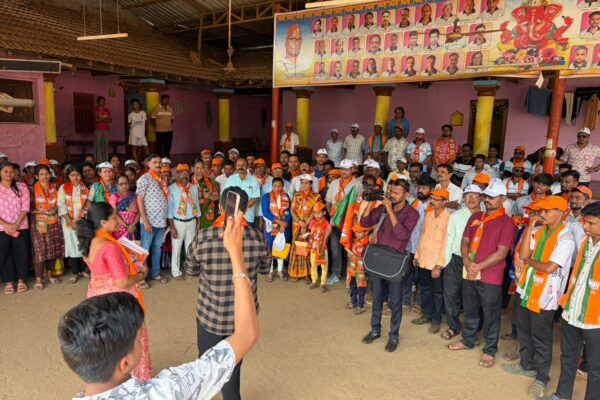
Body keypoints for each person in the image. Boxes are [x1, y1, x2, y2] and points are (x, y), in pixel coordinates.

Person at [60, 208, 259, 400]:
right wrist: (236, 254)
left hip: (99, 296)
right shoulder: (167, 391)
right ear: (125, 363)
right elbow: (246, 336)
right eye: (136, 339)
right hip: (117, 295)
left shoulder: (93, 242)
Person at [185, 187, 268, 400]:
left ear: (221, 208)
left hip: (210, 316)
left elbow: (190, 270)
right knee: (233, 369)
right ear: (245, 210)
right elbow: (265, 268)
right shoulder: (257, 238)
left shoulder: (203, 237)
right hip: (243, 320)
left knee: (205, 366)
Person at [503, 196, 575, 398]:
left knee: (541, 338)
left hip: (545, 296)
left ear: (561, 213)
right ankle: (526, 365)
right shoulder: (538, 230)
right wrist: (529, 227)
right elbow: (523, 254)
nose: (541, 214)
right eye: (540, 210)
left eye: (546, 211)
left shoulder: (566, 239)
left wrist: (529, 261)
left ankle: (542, 378)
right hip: (526, 289)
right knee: (523, 329)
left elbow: (550, 268)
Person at [75, 201, 152, 381]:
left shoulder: (90, 239)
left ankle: (111, 380)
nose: (118, 220)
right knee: (128, 341)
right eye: (113, 218)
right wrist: (141, 274)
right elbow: (122, 281)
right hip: (117, 303)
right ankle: (136, 380)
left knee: (109, 343)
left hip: (97, 298)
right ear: (103, 222)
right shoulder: (109, 247)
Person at [448, 179, 516, 368]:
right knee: (470, 309)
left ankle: (490, 350)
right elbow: (464, 241)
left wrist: (477, 266)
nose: (487, 200)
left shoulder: (507, 223)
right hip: (469, 270)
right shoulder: (476, 217)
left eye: (492, 197)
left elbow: (501, 253)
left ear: (503, 199)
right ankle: (468, 339)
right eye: (486, 196)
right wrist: (467, 262)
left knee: (491, 314)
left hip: (490, 276)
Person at [539, 202, 600, 400]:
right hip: (572, 312)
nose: (585, 226)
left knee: (596, 368)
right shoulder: (585, 242)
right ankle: (562, 395)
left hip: (595, 321)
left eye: (591, 223)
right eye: (584, 222)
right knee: (568, 358)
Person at [360, 178, 419, 352]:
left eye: (396, 193)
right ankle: (375, 330)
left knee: (395, 301)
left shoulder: (412, 213)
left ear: (406, 195)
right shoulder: (383, 207)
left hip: (396, 260)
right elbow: (364, 223)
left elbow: (402, 235)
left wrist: (390, 211)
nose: (391, 195)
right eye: (390, 192)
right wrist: (369, 203)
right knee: (377, 297)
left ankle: (393, 336)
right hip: (380, 257)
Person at [441, 185, 482, 340]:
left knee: (473, 298)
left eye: (474, 195)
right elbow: (449, 239)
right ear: (463, 198)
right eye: (467, 195)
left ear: (481, 197)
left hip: (477, 262)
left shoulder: (485, 216)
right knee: (451, 295)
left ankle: (473, 331)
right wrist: (446, 262)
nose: (471, 199)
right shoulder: (456, 216)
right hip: (456, 260)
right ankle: (453, 326)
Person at [413, 188, 450, 334]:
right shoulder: (428, 215)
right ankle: (426, 315)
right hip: (423, 260)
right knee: (425, 289)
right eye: (431, 198)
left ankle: (436, 320)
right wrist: (417, 255)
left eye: (436, 199)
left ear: (444, 202)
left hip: (436, 263)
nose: (432, 201)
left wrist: (439, 266)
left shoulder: (448, 219)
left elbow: (446, 244)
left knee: (437, 293)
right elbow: (422, 235)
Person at [326, 159, 363, 284]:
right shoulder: (334, 183)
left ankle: (350, 276)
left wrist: (353, 221)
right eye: (342, 169)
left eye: (346, 169)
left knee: (350, 249)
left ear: (352, 169)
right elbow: (328, 201)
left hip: (350, 223)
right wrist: (332, 215)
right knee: (335, 249)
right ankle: (336, 273)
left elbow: (359, 205)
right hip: (336, 222)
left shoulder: (357, 184)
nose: (343, 171)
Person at [31, 164, 65, 288]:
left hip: (53, 222)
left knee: (51, 250)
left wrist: (54, 209)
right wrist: (42, 212)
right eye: (41, 174)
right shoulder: (31, 189)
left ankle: (50, 275)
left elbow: (60, 204)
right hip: (38, 224)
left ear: (50, 174)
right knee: (40, 251)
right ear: (36, 176)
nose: (44, 176)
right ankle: (38, 279)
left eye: (46, 173)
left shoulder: (55, 187)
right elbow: (28, 208)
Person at [137, 154, 169, 286]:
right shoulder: (144, 178)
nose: (158, 164)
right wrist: (145, 221)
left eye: (160, 162)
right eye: (154, 162)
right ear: (148, 164)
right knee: (144, 249)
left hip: (160, 221)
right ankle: (141, 277)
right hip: (149, 222)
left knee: (157, 248)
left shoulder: (162, 179)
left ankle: (156, 273)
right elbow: (139, 200)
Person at [0, 161, 30, 294]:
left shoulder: (22, 186)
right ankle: (9, 281)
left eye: (11, 171)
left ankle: (22, 280)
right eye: (5, 171)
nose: (9, 174)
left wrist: (16, 224)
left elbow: (25, 207)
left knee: (21, 253)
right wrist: (6, 225)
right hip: (2, 228)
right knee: (5, 254)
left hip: (21, 226)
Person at [167, 164, 200, 280]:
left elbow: (197, 205)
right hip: (177, 222)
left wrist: (198, 222)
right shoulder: (171, 189)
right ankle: (176, 272)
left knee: (190, 248)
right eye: (182, 173)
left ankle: (189, 270)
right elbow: (169, 209)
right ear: (177, 175)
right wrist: (172, 227)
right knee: (176, 248)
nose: (185, 176)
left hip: (192, 221)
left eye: (187, 173)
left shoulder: (194, 188)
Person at [58, 165, 89, 284]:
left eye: (78, 175)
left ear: (81, 175)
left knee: (83, 245)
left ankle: (83, 270)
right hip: (68, 222)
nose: (75, 177)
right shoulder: (63, 188)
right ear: (68, 176)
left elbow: (89, 205)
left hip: (83, 221)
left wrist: (81, 220)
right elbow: (61, 206)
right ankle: (75, 272)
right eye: (72, 175)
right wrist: (71, 222)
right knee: (72, 246)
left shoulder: (86, 187)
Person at [289, 174, 321, 282]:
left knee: (307, 249)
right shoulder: (296, 195)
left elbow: (315, 212)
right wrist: (299, 221)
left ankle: (307, 274)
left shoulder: (316, 196)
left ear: (311, 184)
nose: (303, 185)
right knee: (297, 249)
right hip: (297, 225)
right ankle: (296, 273)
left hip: (309, 226)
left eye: (306, 183)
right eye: (302, 183)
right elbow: (292, 209)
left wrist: (306, 224)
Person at [261, 177, 291, 282]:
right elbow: (265, 213)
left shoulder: (286, 197)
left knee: (281, 247)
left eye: (279, 186)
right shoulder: (266, 197)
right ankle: (270, 271)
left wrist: (285, 223)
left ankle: (279, 270)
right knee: (270, 248)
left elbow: (288, 212)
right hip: (271, 227)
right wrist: (279, 222)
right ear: (272, 186)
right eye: (275, 186)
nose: (277, 188)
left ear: (283, 186)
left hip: (283, 227)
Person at [224, 158, 261, 228]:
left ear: (247, 166)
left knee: (247, 235)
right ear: (235, 166)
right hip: (232, 216)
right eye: (238, 165)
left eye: (243, 165)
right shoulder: (231, 179)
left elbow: (255, 198)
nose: (240, 167)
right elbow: (226, 195)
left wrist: (242, 208)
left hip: (247, 217)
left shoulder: (254, 180)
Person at [345, 224, 371, 315]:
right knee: (352, 285)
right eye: (355, 232)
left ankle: (360, 306)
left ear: (366, 232)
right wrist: (349, 254)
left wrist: (357, 258)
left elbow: (367, 258)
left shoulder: (368, 244)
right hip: (352, 267)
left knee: (361, 287)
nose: (356, 234)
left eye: (359, 232)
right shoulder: (355, 240)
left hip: (361, 269)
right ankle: (353, 302)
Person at [307, 202, 330, 292]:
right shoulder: (312, 222)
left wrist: (322, 248)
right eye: (315, 213)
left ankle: (323, 284)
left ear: (324, 213)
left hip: (322, 248)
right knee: (313, 264)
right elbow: (311, 234)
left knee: (324, 266)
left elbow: (326, 238)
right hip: (313, 248)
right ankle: (314, 281)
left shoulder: (327, 224)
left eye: (319, 212)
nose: (317, 215)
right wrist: (306, 235)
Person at [109, 175, 139, 241]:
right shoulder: (114, 196)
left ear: (129, 183)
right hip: (119, 228)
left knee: (133, 245)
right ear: (117, 185)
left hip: (133, 228)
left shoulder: (134, 195)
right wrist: (126, 226)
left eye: (126, 183)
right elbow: (114, 213)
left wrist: (133, 225)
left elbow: (139, 212)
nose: (124, 186)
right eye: (121, 184)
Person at [192, 160, 219, 229]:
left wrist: (209, 196)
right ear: (193, 168)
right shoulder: (188, 181)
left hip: (206, 216)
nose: (199, 170)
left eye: (201, 168)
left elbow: (217, 197)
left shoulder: (211, 182)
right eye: (197, 168)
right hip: (192, 216)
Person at [127, 99, 147, 164]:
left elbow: (145, 123)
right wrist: (132, 129)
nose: (136, 105)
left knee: (140, 148)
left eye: (137, 104)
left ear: (139, 104)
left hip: (141, 133)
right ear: (132, 105)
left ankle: (138, 160)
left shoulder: (143, 113)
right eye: (134, 104)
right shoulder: (130, 114)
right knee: (134, 148)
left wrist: (144, 132)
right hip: (134, 133)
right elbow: (129, 125)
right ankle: (136, 163)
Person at [93, 96, 112, 163]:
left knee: (105, 144)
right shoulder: (96, 109)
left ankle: (105, 160)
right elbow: (97, 120)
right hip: (98, 129)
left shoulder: (107, 110)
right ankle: (98, 161)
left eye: (104, 101)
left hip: (106, 129)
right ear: (98, 102)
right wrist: (105, 119)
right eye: (101, 101)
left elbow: (110, 120)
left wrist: (101, 119)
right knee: (98, 145)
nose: (103, 103)